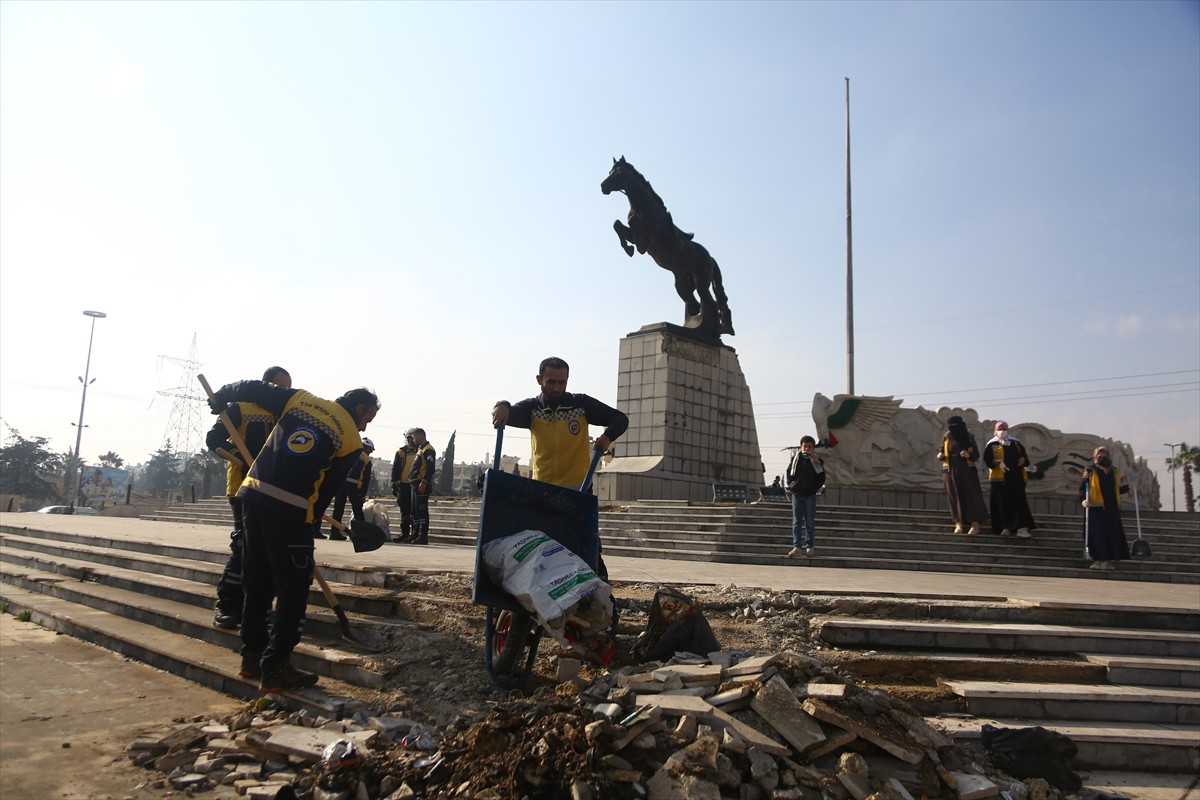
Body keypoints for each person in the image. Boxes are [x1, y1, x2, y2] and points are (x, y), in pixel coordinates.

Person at [207, 378, 379, 692]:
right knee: (293, 589)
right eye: (368, 419)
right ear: (360, 409)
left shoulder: (299, 399)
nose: (366, 427)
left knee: (257, 582)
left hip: (253, 497)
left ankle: (251, 658)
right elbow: (328, 488)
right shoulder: (351, 439)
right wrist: (308, 528)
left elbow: (251, 388)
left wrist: (221, 397)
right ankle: (276, 667)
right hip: (291, 509)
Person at [491, 356, 629, 579]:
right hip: (542, 491)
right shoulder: (532, 409)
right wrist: (502, 405)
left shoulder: (580, 404)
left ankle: (598, 598)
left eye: (561, 382)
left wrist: (608, 435)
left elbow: (619, 418)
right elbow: (510, 411)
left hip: (579, 490)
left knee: (588, 547)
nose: (556, 387)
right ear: (539, 380)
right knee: (544, 548)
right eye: (551, 382)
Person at [204, 366, 292, 629]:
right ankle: (227, 604)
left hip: (273, 489)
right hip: (243, 488)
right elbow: (214, 438)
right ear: (266, 385)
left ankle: (256, 606)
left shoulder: (286, 413)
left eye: (288, 388)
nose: (284, 392)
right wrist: (237, 456)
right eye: (280, 387)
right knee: (244, 544)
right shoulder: (240, 408)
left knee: (267, 549)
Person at [1078, 445, 1131, 571]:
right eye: (1099, 455)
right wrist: (1083, 500)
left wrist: (1128, 488)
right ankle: (1097, 560)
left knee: (1111, 534)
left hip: (1111, 508)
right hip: (1096, 508)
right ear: (1095, 456)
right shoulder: (1089, 470)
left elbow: (1115, 489)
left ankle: (1107, 560)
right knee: (1097, 535)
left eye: (1105, 455)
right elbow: (1082, 488)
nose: (1102, 457)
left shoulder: (1114, 471)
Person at [983, 421, 1037, 538]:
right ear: (995, 430)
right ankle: (1004, 527)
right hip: (999, 480)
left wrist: (1024, 460)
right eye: (1000, 429)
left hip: (1015, 479)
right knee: (1001, 504)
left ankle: (1021, 528)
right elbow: (987, 460)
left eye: (1004, 429)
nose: (1002, 431)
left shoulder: (1016, 444)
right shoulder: (992, 444)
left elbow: (1025, 459)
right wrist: (994, 462)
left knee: (1018, 503)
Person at [937, 415, 987, 535]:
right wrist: (940, 455)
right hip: (950, 470)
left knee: (971, 496)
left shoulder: (969, 437)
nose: (951, 428)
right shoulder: (947, 436)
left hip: (967, 470)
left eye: (953, 425)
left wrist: (968, 455)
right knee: (954, 496)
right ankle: (958, 523)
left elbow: (976, 454)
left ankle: (975, 524)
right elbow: (940, 450)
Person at [324, 437, 375, 540]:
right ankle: (360, 534)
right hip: (355, 486)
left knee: (338, 509)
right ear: (367, 448)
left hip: (341, 483)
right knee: (357, 510)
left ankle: (334, 532)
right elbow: (366, 479)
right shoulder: (366, 459)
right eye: (370, 450)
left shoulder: (351, 453)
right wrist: (363, 493)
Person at [785, 435, 826, 557]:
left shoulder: (817, 460)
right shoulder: (795, 459)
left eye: (809, 447)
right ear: (801, 446)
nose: (807, 448)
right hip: (797, 495)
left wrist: (814, 488)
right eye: (805, 446)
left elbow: (822, 477)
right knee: (796, 522)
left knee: (810, 522)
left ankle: (810, 546)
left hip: (810, 496)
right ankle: (797, 546)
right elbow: (789, 474)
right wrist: (792, 486)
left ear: (813, 448)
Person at [407, 428, 436, 545]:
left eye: (414, 437)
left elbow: (430, 468)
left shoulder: (428, 450)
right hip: (415, 483)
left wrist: (424, 481)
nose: (413, 440)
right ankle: (415, 533)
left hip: (422, 483)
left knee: (422, 510)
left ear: (420, 436)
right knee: (415, 510)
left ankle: (423, 535)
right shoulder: (420, 450)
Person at [390, 430, 417, 543]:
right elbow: (395, 468)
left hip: (414, 484)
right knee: (404, 510)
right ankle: (404, 533)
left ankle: (414, 534)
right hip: (403, 484)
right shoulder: (401, 452)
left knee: (414, 511)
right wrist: (394, 483)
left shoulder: (420, 451)